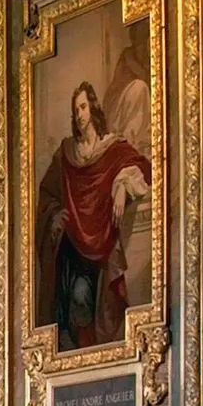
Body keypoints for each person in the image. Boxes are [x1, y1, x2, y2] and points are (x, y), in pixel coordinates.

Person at [47, 78, 152, 348]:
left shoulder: (112, 148)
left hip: (103, 243)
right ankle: (87, 357)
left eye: (83, 107)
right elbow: (47, 193)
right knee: (80, 298)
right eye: (76, 110)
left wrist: (121, 185)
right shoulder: (67, 153)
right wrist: (55, 213)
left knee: (105, 307)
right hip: (75, 247)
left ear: (92, 108)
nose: (80, 115)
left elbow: (141, 166)